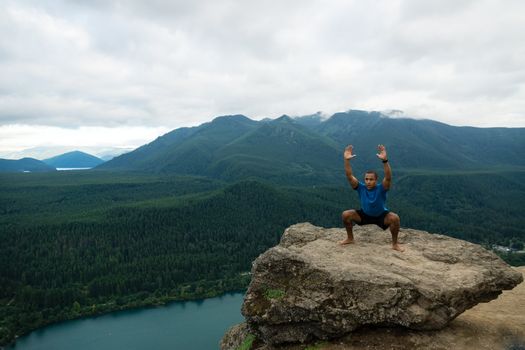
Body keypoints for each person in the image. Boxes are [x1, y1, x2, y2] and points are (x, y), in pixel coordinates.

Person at [339, 144, 404, 252]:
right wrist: (346, 160)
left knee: (395, 218)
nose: (368, 181)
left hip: (381, 216)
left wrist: (385, 161)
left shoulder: (381, 188)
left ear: (376, 180)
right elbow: (349, 176)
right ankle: (350, 238)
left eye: (371, 179)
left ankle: (395, 244)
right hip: (364, 215)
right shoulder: (360, 187)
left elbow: (388, 177)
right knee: (346, 214)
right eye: (366, 179)